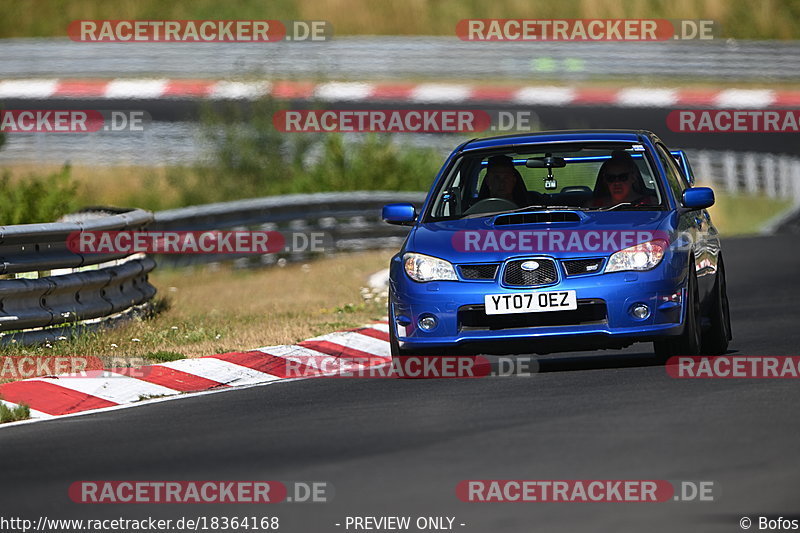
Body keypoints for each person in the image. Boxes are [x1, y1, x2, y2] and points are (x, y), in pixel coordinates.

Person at [588, 150, 658, 208]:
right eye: (611, 178)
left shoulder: (650, 204)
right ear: (605, 180)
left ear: (633, 178)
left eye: (623, 177)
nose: (617, 183)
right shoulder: (592, 206)